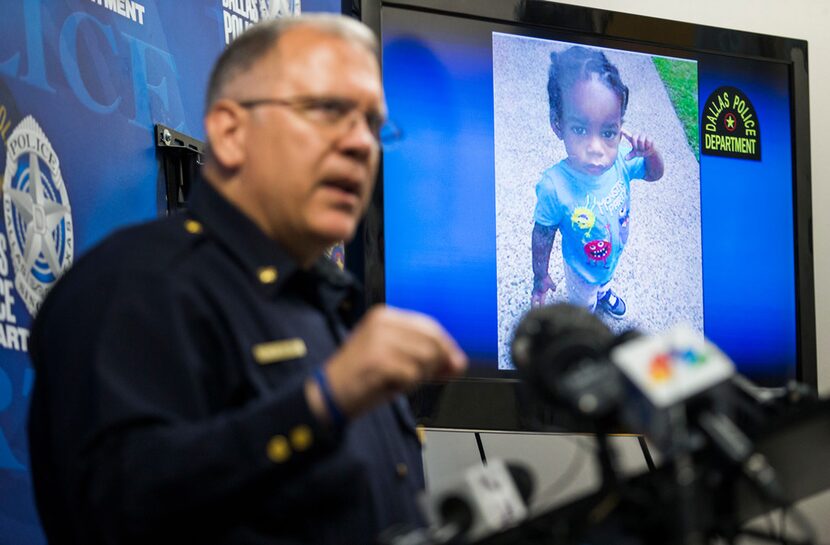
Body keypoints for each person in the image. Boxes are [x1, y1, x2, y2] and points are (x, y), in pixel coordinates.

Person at [27, 14, 467, 545]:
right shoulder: (135, 287)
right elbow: (112, 513)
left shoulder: (342, 309)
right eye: (328, 110)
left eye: (372, 125)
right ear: (232, 133)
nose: (359, 145)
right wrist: (321, 401)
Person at [530, 46, 664, 318]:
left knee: (604, 279)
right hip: (581, 271)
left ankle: (604, 291)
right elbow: (542, 235)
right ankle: (586, 315)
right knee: (584, 306)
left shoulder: (622, 162)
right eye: (580, 129)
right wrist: (540, 277)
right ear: (558, 124)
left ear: (619, 127)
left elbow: (654, 174)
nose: (596, 147)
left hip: (611, 257)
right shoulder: (555, 186)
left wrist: (652, 153)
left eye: (608, 132)